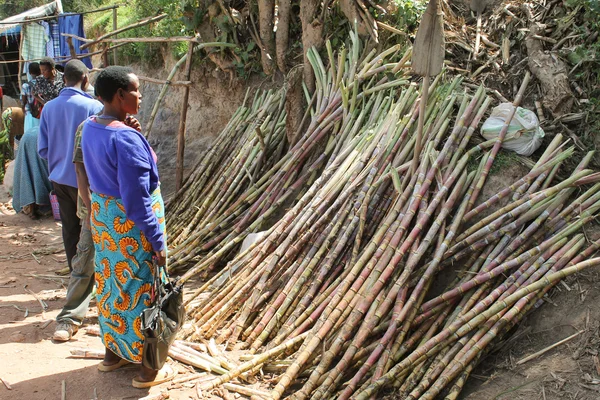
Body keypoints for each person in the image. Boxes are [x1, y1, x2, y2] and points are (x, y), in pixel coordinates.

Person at [81, 66, 173, 388]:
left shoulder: (92, 127)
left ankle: (112, 354)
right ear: (120, 96)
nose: (140, 96)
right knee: (143, 290)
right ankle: (147, 371)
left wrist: (134, 131)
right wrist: (157, 241)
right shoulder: (124, 138)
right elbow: (137, 200)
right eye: (136, 91)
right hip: (132, 228)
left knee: (110, 285)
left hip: (107, 225)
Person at [38, 60, 103, 340]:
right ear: (85, 79)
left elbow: (43, 149)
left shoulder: (49, 108)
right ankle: (92, 287)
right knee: (93, 234)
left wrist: (57, 164)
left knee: (70, 230)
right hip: (87, 183)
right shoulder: (92, 107)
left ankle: (75, 283)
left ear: (63, 79)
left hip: (59, 179)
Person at [21, 62, 42, 132]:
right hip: (42, 113)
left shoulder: (25, 86)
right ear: (40, 71)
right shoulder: (44, 83)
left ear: (29, 72)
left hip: (30, 114)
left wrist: (23, 110)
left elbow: (23, 102)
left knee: (30, 135)